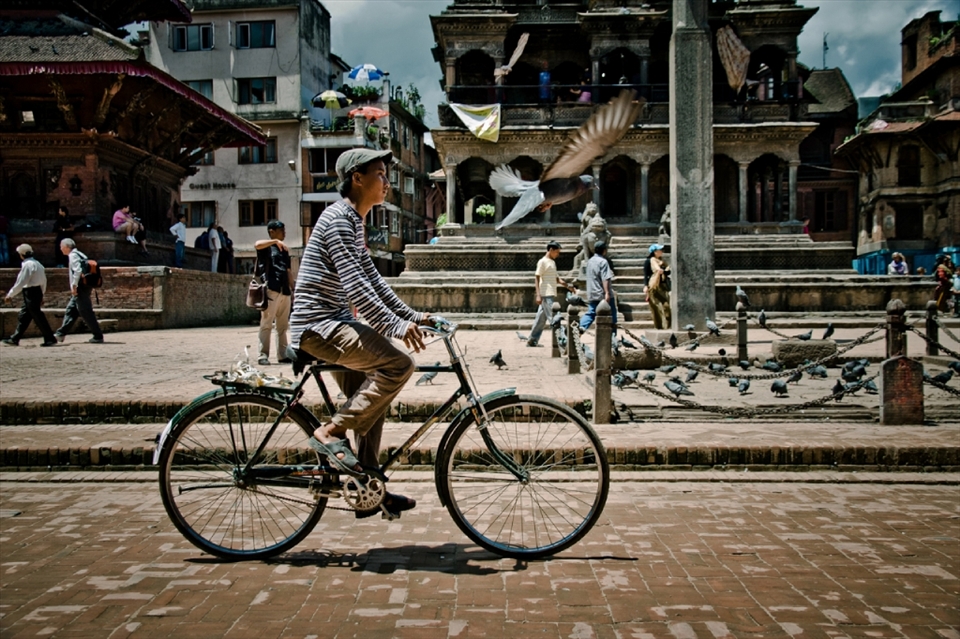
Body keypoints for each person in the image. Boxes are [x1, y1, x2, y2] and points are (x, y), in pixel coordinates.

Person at [289, 148, 429, 519]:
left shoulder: (354, 222)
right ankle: (330, 433)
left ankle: (367, 485)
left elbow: (374, 282)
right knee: (398, 366)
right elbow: (356, 288)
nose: (386, 182)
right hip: (318, 328)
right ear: (357, 178)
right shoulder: (338, 219)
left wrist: (413, 315)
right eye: (380, 174)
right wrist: (397, 328)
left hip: (333, 324)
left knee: (371, 398)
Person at [255, 220, 294, 366]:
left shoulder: (284, 250)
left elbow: (288, 271)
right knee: (266, 324)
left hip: (285, 290)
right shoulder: (266, 247)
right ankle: (262, 355)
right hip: (271, 288)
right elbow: (257, 244)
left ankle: (282, 355)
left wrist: (293, 289)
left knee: (282, 326)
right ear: (272, 231)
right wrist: (275, 241)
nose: (284, 232)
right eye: (281, 230)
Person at [2, 244, 56, 347]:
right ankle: (15, 338)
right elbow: (43, 281)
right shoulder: (38, 264)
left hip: (30, 292)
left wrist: (10, 294)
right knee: (25, 316)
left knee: (37, 316)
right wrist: (42, 294)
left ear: (22, 255)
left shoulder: (27, 265)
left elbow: (21, 282)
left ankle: (50, 338)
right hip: (37, 291)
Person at [54, 238, 104, 344]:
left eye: (61, 247)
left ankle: (98, 335)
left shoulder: (73, 256)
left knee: (85, 311)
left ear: (66, 247)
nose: (61, 249)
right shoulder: (81, 254)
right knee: (71, 310)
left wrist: (74, 286)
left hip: (80, 287)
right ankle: (60, 334)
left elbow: (77, 271)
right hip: (85, 285)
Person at [526, 241, 576, 348]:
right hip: (545, 293)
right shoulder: (542, 262)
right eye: (557, 252)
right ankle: (562, 340)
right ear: (551, 250)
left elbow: (557, 279)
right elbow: (537, 277)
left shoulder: (552, 262)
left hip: (550, 293)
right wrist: (538, 294)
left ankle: (532, 339)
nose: (558, 254)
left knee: (541, 319)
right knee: (555, 317)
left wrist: (568, 286)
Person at [579, 241, 617, 334]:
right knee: (612, 315)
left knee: (591, 313)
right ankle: (612, 337)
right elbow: (605, 278)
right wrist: (607, 293)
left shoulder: (590, 261)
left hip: (592, 292)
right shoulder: (603, 262)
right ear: (604, 250)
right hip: (602, 293)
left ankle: (579, 328)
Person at [644, 243, 671, 330]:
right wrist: (645, 285)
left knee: (666, 306)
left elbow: (668, 272)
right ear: (655, 252)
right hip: (653, 287)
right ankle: (659, 326)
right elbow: (646, 274)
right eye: (660, 250)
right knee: (656, 307)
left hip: (662, 286)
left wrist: (664, 271)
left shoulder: (662, 262)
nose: (662, 251)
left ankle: (667, 325)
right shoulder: (649, 261)